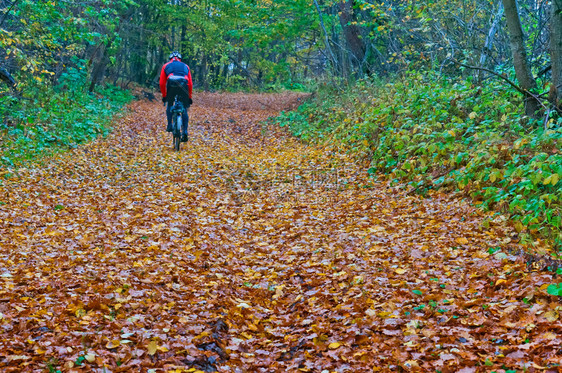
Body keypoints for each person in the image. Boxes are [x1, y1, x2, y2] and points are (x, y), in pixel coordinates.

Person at [159, 51, 193, 142]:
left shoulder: (166, 66)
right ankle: (185, 131)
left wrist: (164, 96)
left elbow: (162, 83)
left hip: (171, 84)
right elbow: (190, 84)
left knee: (170, 104)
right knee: (184, 108)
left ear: (170, 59)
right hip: (184, 84)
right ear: (180, 59)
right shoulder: (186, 66)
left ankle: (170, 125)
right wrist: (189, 97)